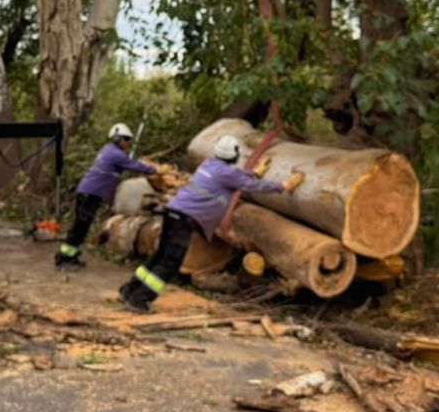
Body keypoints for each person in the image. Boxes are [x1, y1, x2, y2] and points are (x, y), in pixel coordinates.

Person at [118, 135, 305, 313]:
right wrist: (283, 186)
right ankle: (139, 300)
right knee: (170, 263)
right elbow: (251, 185)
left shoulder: (209, 164)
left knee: (159, 256)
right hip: (184, 219)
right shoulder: (226, 173)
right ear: (235, 155)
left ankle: (128, 290)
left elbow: (233, 176)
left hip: (173, 211)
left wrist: (253, 172)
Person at [56, 123, 168, 270]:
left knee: (82, 225)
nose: (129, 142)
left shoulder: (108, 150)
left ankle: (71, 255)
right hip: (90, 193)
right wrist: (157, 170)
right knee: (80, 226)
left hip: (89, 192)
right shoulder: (115, 154)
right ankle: (64, 258)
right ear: (117, 139)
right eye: (126, 139)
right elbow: (135, 166)